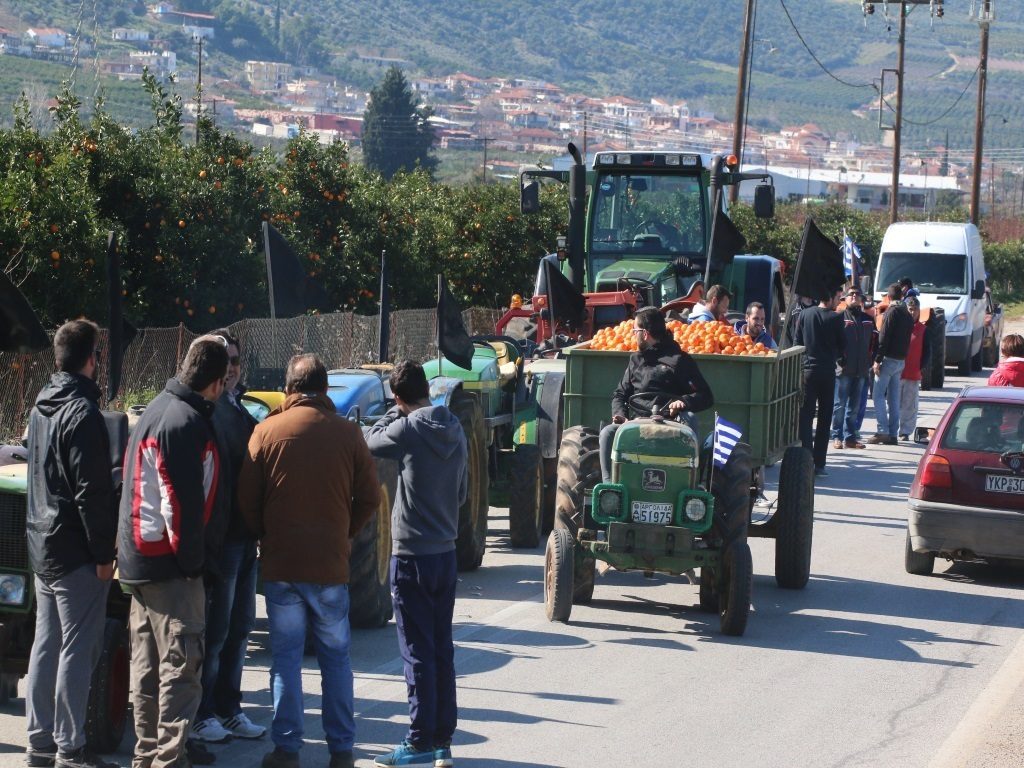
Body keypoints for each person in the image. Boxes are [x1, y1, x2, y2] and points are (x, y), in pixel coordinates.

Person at [238, 354, 379, 768]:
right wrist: (345, 533)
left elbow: (247, 502)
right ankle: (341, 752)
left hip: (282, 567)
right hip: (331, 568)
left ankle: (287, 750)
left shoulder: (265, 432)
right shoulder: (348, 434)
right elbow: (370, 497)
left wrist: (268, 535)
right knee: (336, 659)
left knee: (286, 659)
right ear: (325, 389)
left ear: (289, 388)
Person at [117, 335, 229, 768]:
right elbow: (177, 502)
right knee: (180, 672)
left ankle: (146, 758)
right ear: (217, 383)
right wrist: (193, 564)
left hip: (140, 562)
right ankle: (167, 760)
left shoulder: (157, 411)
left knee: (146, 671)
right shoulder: (184, 421)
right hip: (170, 568)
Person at [364, 361, 468, 768]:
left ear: (398, 397)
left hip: (410, 556)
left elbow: (370, 441)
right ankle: (442, 738)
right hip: (445, 552)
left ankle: (420, 739)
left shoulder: (407, 428)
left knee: (415, 651)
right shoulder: (454, 427)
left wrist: (393, 414)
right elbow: (460, 495)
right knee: (441, 647)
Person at [25, 320, 118, 768]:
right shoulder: (82, 413)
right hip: (76, 551)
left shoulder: (41, 405)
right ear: (91, 358)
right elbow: (92, 494)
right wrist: (105, 556)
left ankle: (39, 744)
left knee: (47, 645)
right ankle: (69, 748)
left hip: (43, 545)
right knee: (77, 649)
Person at [191, 330, 266, 747]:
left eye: (237, 359)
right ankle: (203, 714)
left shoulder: (239, 408)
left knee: (240, 629)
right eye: (225, 360)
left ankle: (229, 708)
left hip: (245, 537)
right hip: (221, 542)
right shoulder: (207, 411)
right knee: (215, 633)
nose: (233, 367)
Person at [600, 307, 714, 484]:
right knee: (607, 433)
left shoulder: (679, 360)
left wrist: (683, 401)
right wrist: (620, 416)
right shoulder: (635, 360)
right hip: (636, 424)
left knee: (690, 418)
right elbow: (620, 394)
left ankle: (691, 483)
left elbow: (705, 395)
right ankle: (609, 487)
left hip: (669, 424)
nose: (633, 335)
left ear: (645, 334)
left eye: (635, 331)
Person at [795, 290, 846, 476]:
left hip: (808, 371)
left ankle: (806, 459)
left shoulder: (805, 314)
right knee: (825, 419)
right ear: (830, 298)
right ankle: (820, 463)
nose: (839, 302)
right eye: (838, 298)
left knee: (806, 418)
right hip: (827, 373)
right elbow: (843, 346)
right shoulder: (836, 318)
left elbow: (797, 340)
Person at [867, 284, 915, 445]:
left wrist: (877, 359)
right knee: (893, 398)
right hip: (900, 360)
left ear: (888, 297)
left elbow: (884, 337)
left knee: (878, 395)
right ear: (901, 297)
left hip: (887, 359)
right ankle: (893, 434)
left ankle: (883, 430)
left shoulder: (891, 312)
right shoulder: (907, 315)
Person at [831, 288, 874, 450]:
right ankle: (837, 436)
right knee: (839, 405)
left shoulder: (868, 320)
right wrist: (838, 362)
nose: (854, 296)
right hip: (843, 370)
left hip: (861, 370)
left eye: (857, 294)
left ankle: (850, 437)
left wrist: (872, 360)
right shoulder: (839, 319)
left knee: (854, 407)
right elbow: (833, 343)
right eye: (851, 294)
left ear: (862, 299)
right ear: (845, 299)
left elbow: (875, 341)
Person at [899, 297, 928, 441]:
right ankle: (892, 429)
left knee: (909, 405)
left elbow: (928, 352)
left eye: (915, 309)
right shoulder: (898, 325)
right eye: (909, 309)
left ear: (919, 311)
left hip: (913, 373)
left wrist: (921, 367)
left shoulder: (923, 329)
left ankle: (905, 431)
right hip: (897, 372)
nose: (912, 312)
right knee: (894, 403)